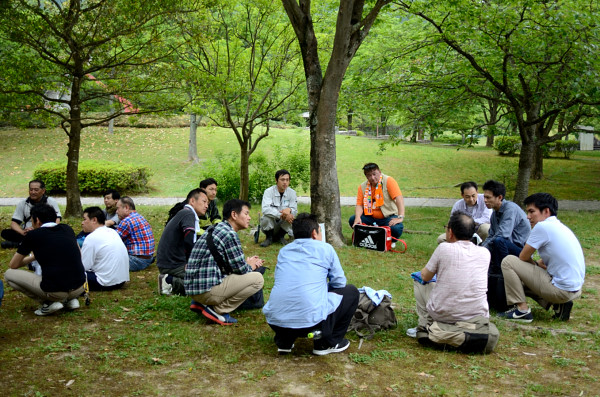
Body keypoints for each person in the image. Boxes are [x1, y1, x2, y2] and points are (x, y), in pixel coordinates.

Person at [263, 213, 359, 355]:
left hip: (276, 322)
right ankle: (326, 343)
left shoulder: (284, 251)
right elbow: (339, 283)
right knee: (351, 292)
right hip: (311, 325)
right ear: (314, 233)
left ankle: (284, 340)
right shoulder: (326, 249)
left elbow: (281, 279)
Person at [408, 213, 498, 353]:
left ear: (450, 232)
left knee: (419, 280)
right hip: (476, 316)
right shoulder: (485, 253)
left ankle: (426, 323)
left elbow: (425, 276)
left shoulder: (444, 248)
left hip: (443, 313)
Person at [497, 193, 585, 322]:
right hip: (574, 289)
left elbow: (523, 256)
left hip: (562, 290)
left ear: (546, 211)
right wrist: (537, 265)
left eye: (532, 211)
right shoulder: (560, 226)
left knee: (509, 262)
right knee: (518, 280)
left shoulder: (542, 226)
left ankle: (522, 310)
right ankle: (559, 305)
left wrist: (535, 265)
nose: (528, 216)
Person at [185, 199, 265, 325]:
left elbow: (229, 264)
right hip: (205, 290)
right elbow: (241, 270)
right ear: (234, 215)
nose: (249, 218)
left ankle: (200, 302)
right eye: (246, 213)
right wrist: (250, 265)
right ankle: (218, 310)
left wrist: (245, 264)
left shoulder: (216, 228)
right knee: (258, 279)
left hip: (193, 288)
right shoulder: (229, 233)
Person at [4, 204, 85, 316]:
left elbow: (13, 265)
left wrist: (33, 257)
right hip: (80, 287)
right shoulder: (67, 229)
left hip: (56, 291)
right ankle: (70, 300)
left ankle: (47, 303)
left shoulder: (33, 235)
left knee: (9, 275)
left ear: (37, 220)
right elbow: (79, 254)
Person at [157, 188, 209, 296]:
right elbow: (189, 239)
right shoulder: (188, 214)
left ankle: (171, 279)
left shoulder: (184, 213)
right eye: (204, 201)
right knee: (206, 283)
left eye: (208, 203)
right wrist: (190, 263)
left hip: (168, 262)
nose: (207, 205)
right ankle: (169, 281)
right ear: (192, 201)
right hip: (173, 264)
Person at [481, 180, 530, 272]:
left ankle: (502, 272)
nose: (485, 200)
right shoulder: (494, 214)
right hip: (505, 247)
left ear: (499, 197)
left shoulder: (510, 209)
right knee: (492, 244)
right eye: (484, 197)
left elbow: (503, 235)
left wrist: (483, 250)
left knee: (499, 241)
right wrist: (481, 250)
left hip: (520, 251)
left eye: (488, 197)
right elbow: (491, 236)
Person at [349, 163, 405, 240]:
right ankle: (373, 235)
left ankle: (389, 240)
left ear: (379, 172)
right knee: (353, 220)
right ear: (366, 176)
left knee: (396, 228)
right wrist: (358, 217)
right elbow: (359, 205)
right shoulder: (362, 186)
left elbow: (399, 198)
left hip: (388, 217)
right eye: (369, 175)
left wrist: (400, 217)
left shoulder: (388, 181)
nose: (372, 177)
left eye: (374, 174)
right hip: (370, 218)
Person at [80, 206, 130, 291]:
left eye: (85, 219)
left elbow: (83, 266)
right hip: (120, 281)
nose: (82, 223)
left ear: (94, 220)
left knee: (69, 273)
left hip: (104, 282)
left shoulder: (91, 238)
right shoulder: (112, 232)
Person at [1, 180, 61, 249]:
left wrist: (40, 229)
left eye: (36, 190)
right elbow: (14, 223)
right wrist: (22, 232)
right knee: (5, 233)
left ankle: (19, 244)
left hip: (46, 231)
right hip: (28, 233)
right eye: (31, 190)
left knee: (54, 234)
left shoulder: (51, 202)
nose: (33, 192)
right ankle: (26, 242)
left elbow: (57, 219)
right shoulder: (23, 203)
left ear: (43, 191)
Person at [259, 169, 298, 247]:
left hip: (282, 223)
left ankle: (281, 237)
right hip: (270, 224)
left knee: (292, 217)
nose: (285, 182)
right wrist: (282, 214)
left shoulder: (292, 193)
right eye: (282, 180)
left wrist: (290, 210)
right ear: (276, 180)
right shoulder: (268, 191)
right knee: (266, 217)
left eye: (287, 180)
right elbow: (265, 209)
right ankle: (269, 238)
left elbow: (294, 210)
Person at [115, 196, 155, 272]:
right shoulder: (139, 217)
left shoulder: (127, 221)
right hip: (148, 258)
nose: (116, 212)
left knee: (105, 261)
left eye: (118, 208)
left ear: (126, 207)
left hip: (137, 260)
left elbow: (112, 241)